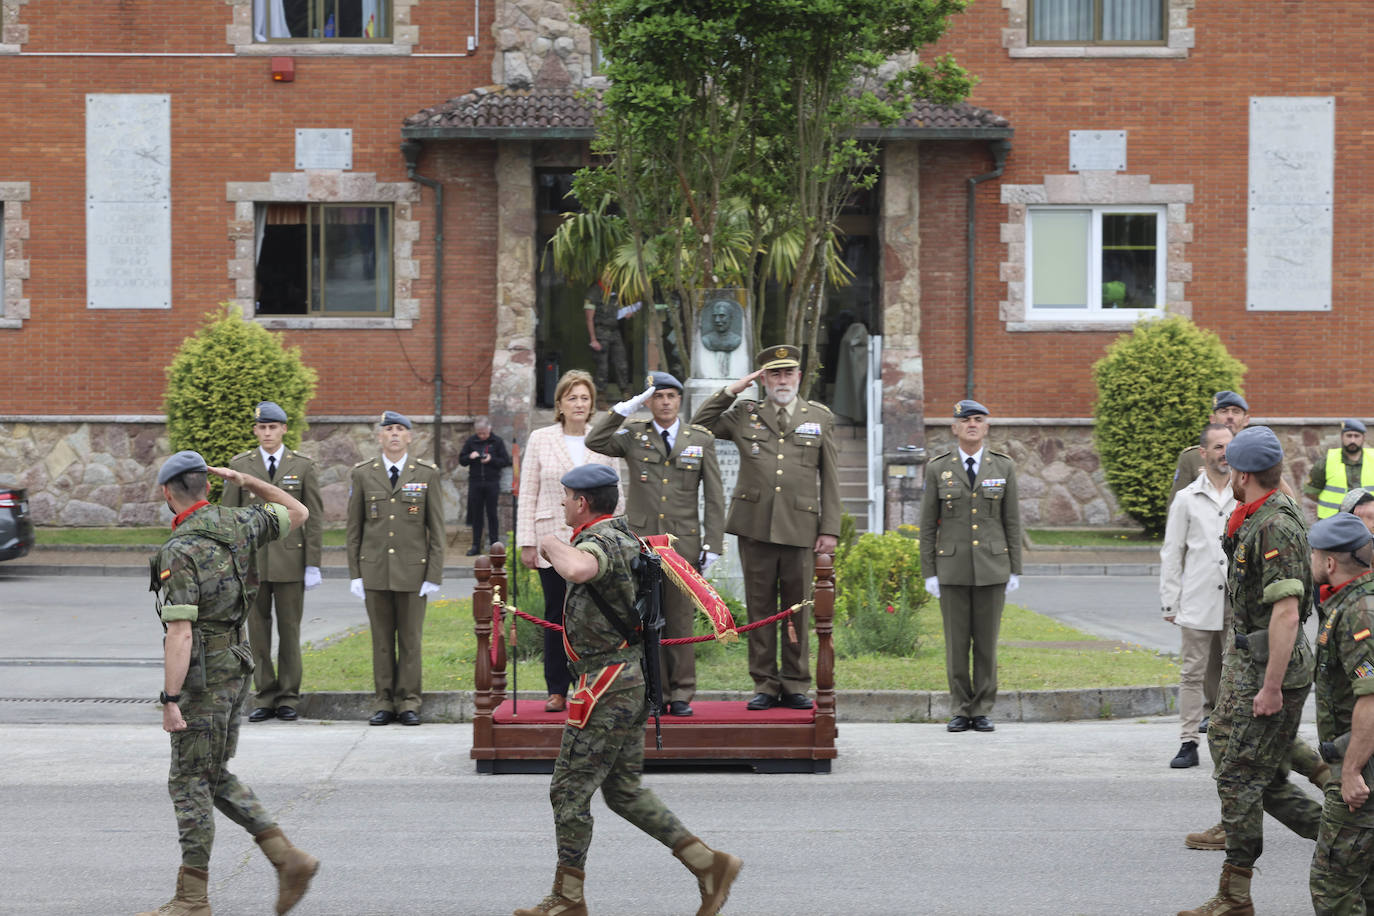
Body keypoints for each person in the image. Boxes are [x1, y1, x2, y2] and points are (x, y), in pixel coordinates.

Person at [514, 463, 742, 916]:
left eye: (565, 497)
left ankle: (567, 898)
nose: (562, 503)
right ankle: (708, 865)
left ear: (581, 503)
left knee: (567, 790)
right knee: (623, 791)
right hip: (626, 680)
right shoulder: (625, 537)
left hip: (605, 685)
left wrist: (549, 541)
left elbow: (578, 569)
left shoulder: (598, 541)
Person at [140, 450, 318, 916]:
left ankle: (192, 900)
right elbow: (298, 511)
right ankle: (288, 858)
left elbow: (180, 632)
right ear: (207, 486)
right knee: (213, 774)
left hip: (202, 676)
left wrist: (170, 700)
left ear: (167, 493)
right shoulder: (240, 521)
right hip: (238, 665)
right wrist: (248, 479)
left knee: (188, 782)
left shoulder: (179, 550)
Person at [1178, 425, 1323, 916]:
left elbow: (1286, 612)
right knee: (1243, 758)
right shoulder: (1258, 510)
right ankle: (1343, 821)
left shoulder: (1273, 525)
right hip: (1250, 659)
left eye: (1231, 466)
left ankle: (1237, 894)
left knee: (1243, 780)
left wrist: (1272, 687)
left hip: (1270, 664)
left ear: (1242, 473)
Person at [691, 345, 839, 711]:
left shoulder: (818, 417)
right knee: (760, 610)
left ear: (799, 377)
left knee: (798, 609)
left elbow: (831, 478)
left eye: (788, 373)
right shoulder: (746, 414)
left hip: (801, 527)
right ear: (764, 380)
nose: (782, 380)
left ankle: (795, 682)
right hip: (755, 527)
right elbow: (699, 423)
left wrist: (830, 529)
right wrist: (733, 390)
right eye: (774, 374)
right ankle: (765, 683)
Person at [585, 371, 725, 716]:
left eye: (671, 396)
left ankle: (681, 693)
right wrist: (623, 409)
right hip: (641, 544)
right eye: (658, 397)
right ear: (648, 402)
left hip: (683, 545)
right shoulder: (634, 435)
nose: (664, 402)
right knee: (645, 620)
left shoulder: (700, 439)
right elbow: (595, 440)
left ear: (680, 401)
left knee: (679, 620)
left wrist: (714, 543)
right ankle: (653, 693)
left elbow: (716, 495)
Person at [516, 369, 622, 713]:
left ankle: (589, 683)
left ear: (592, 404)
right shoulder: (541, 438)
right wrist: (527, 542)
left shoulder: (603, 437)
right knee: (557, 615)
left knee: (595, 617)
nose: (579, 403)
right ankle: (557, 688)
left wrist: (620, 538)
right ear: (560, 403)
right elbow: (528, 491)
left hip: (597, 544)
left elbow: (617, 492)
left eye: (585, 398)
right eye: (572, 397)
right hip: (553, 540)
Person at [918, 399, 1023, 733]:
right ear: (955, 428)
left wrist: (1015, 569)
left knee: (987, 643)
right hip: (952, 568)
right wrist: (929, 571)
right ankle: (960, 708)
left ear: (987, 427)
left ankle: (982, 708)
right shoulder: (938, 468)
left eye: (979, 420)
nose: (972, 425)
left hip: (993, 566)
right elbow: (927, 526)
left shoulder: (1003, 467)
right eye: (966, 421)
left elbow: (1012, 521)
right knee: (957, 643)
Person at [221, 400, 324, 724]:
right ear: (255, 430)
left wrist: (313, 563)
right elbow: (230, 519)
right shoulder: (241, 465)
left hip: (291, 562)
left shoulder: (303, 465)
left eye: (272, 427)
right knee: (258, 633)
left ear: (283, 429)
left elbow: (314, 518)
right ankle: (265, 695)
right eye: (262, 427)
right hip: (253, 563)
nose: (267, 433)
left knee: (290, 633)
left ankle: (289, 697)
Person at [346, 410, 445, 727]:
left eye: (400, 429)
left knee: (411, 641)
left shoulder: (426, 474)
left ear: (410, 437)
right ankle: (384, 701)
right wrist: (355, 574)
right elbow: (354, 530)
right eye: (388, 429)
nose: (394, 434)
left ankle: (409, 702)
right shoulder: (363, 474)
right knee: (381, 641)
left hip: (413, 573)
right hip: (375, 571)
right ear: (379, 436)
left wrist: (433, 575)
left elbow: (437, 530)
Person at [1307, 512, 1374, 914]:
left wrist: (1350, 772)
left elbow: (1371, 697)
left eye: (1314, 553)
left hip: (1363, 775)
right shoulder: (1353, 600)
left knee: (1333, 887)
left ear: (1329, 563)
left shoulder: (1358, 613)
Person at [1161, 423, 1235, 769]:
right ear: (1203, 454)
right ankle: (1188, 741)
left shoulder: (1245, 494)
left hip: (1236, 600)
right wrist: (1170, 600)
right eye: (1217, 447)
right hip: (1198, 597)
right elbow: (1172, 552)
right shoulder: (1186, 498)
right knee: (1192, 673)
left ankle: (1232, 740)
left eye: (1228, 447)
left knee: (1235, 673)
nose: (1224, 454)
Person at [458, 416, 512, 556]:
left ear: (489, 429)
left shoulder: (497, 441)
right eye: (479, 433)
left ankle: (494, 545)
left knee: (492, 514)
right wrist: (470, 456)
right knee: (477, 515)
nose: (482, 436)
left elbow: (505, 461)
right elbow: (462, 460)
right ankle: (476, 545)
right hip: (475, 482)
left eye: (484, 433)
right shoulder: (471, 441)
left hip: (492, 482)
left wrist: (491, 459)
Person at [1304, 419, 1374, 519]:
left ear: (1363, 438)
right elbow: (1311, 492)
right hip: (1331, 522)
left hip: (1368, 522)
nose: (1352, 440)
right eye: (1349, 436)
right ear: (1342, 437)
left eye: (1356, 436)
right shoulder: (1327, 460)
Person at [584, 280, 631, 401]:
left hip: (614, 331)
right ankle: (601, 396)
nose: (611, 277)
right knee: (602, 366)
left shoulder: (615, 290)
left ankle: (625, 392)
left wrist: (627, 313)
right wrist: (593, 339)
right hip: (601, 331)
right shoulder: (594, 292)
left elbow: (620, 309)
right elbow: (589, 318)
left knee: (621, 362)